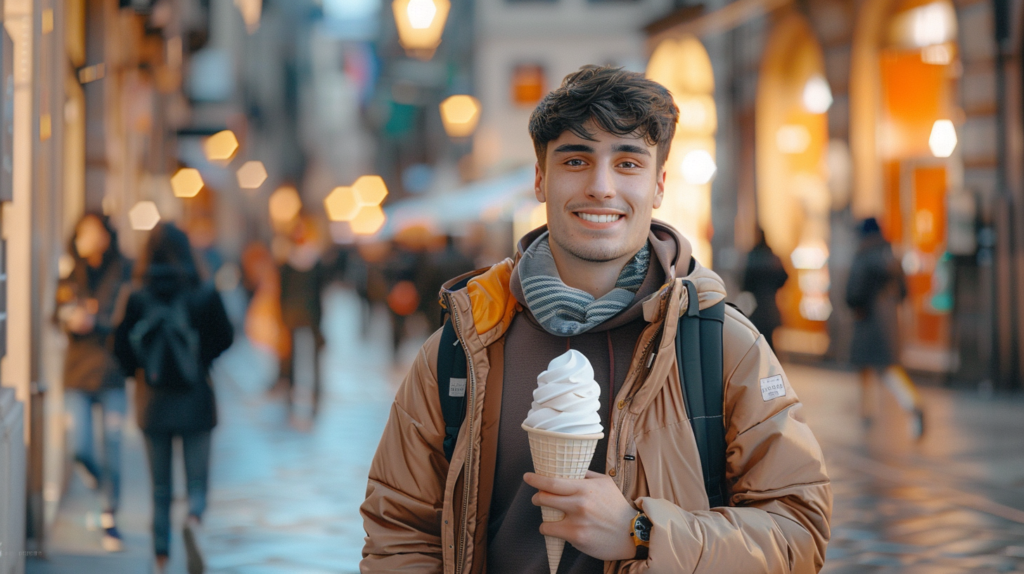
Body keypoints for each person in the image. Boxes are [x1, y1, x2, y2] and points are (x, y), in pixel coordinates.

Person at [360, 66, 831, 573]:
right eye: (577, 160)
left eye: (628, 163)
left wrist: (642, 532)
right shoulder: (461, 348)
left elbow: (798, 534)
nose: (601, 187)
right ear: (541, 179)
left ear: (658, 186)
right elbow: (400, 534)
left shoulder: (723, 346)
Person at [114, 222, 234, 574]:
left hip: (152, 402)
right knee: (197, 482)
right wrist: (201, 358)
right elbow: (225, 337)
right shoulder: (203, 291)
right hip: (196, 396)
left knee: (160, 488)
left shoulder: (136, 294)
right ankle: (194, 520)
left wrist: (140, 370)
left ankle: (161, 560)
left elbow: (119, 347)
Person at [55, 213, 132, 552]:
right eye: (83, 232)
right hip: (77, 374)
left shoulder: (121, 271)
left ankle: (110, 517)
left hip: (112, 372)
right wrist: (69, 317)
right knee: (80, 447)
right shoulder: (70, 272)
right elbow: (55, 313)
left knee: (113, 447)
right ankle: (103, 488)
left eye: (94, 232)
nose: (88, 238)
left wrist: (95, 319)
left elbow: (124, 316)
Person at [845, 217, 924, 440]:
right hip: (889, 321)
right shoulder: (892, 255)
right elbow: (904, 292)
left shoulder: (863, 256)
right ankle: (911, 402)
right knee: (888, 367)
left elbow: (853, 293)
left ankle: (866, 414)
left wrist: (855, 305)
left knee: (865, 368)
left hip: (868, 320)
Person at [740, 226, 789, 350]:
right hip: (770, 303)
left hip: (758, 304)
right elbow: (784, 277)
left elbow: (745, 282)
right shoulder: (772, 258)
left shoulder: (753, 257)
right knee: (768, 338)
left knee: (759, 338)